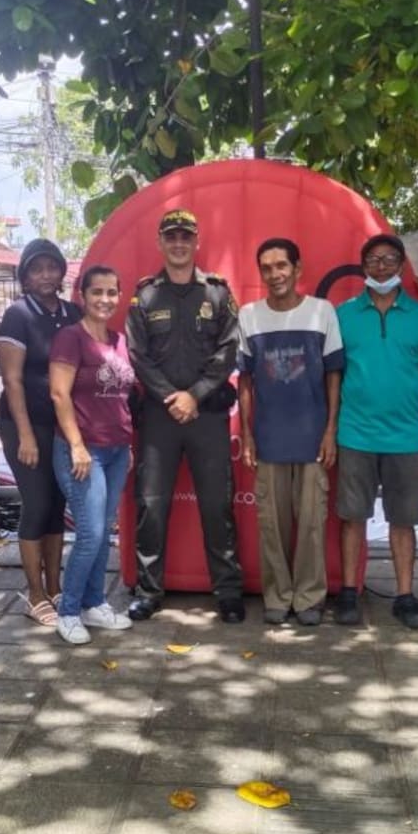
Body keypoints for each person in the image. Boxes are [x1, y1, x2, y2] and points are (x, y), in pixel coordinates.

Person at [125, 208, 244, 623]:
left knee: (217, 505)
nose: (178, 244)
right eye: (171, 236)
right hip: (160, 419)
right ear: (160, 242)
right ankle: (148, 591)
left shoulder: (217, 294)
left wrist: (194, 395)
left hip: (207, 416)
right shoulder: (145, 297)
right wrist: (170, 398)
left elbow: (228, 349)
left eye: (185, 237)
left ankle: (228, 591)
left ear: (196, 242)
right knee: (151, 506)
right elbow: (137, 354)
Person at [334, 233, 418, 629]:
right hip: (355, 434)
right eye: (373, 260)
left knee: (403, 519)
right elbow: (336, 373)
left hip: (406, 437)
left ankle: (405, 597)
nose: (381, 267)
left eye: (389, 259)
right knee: (352, 517)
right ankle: (349, 593)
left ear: (402, 265)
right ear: (363, 267)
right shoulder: (343, 315)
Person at [238, 237, 343, 626]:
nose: (274, 274)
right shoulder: (249, 316)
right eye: (266, 268)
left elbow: (334, 374)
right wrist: (247, 434)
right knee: (272, 525)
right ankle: (278, 596)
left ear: (297, 269)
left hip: (313, 440)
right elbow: (245, 380)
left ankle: (309, 598)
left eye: (281, 265)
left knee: (312, 524)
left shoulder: (322, 312)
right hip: (269, 440)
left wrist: (330, 430)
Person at [0, 238, 82, 627]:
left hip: (61, 424)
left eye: (52, 267)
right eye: (37, 269)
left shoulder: (72, 313)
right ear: (25, 276)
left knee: (58, 505)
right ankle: (33, 594)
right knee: (37, 503)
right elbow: (12, 380)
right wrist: (26, 435)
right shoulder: (18, 315)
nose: (46, 275)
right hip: (23, 424)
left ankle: (55, 586)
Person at [48, 266, 136, 644]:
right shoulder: (70, 338)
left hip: (116, 449)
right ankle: (68, 612)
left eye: (111, 292)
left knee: (103, 533)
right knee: (90, 533)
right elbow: (59, 394)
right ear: (82, 296)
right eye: (96, 292)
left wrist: (127, 445)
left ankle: (94, 602)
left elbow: (122, 398)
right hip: (83, 452)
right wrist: (77, 446)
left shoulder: (119, 340)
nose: (105, 299)